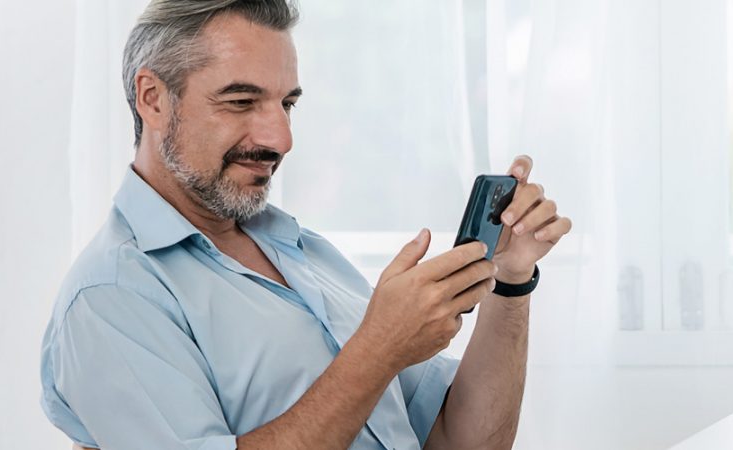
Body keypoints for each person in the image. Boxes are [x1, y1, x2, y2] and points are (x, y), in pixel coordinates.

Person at [39, 1, 571, 449]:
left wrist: (512, 281)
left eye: (287, 103)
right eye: (242, 102)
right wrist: (379, 348)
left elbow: (461, 439)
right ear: (153, 99)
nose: (280, 138)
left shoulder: (302, 251)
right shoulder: (111, 295)